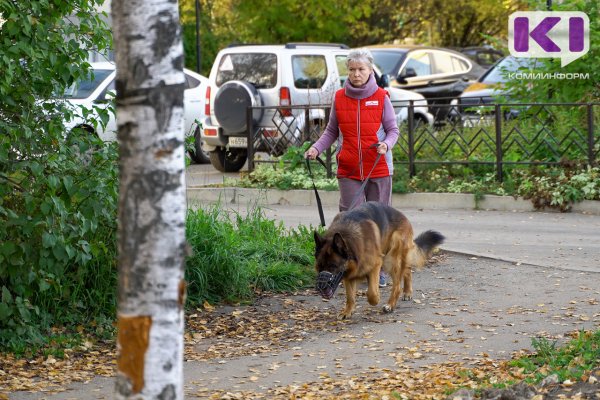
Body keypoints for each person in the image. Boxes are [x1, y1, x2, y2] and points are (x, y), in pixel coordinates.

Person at [304, 48, 399, 287]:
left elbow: (393, 131)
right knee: (349, 223)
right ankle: (351, 266)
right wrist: (316, 148)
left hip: (377, 167)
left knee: (378, 223)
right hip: (348, 169)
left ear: (369, 70)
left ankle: (380, 269)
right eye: (353, 70)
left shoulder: (381, 96)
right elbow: (331, 132)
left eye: (361, 69)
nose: (356, 74)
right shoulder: (339, 97)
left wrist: (386, 146)